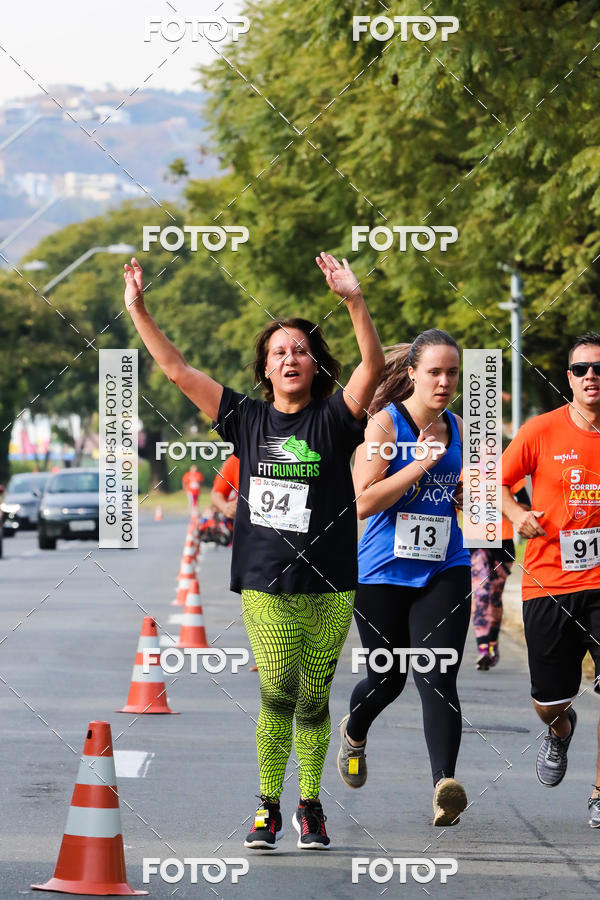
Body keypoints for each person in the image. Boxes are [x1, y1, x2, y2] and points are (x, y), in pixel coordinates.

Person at [123, 253, 384, 850]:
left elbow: (372, 363)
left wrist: (353, 299)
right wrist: (139, 309)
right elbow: (177, 370)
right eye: (279, 352)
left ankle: (310, 805)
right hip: (265, 581)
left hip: (333, 581)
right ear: (265, 369)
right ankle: (268, 805)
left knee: (315, 698)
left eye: (300, 351)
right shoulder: (245, 418)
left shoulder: (337, 418)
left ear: (316, 365)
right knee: (278, 691)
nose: (290, 359)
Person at [337, 331, 471, 827]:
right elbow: (363, 500)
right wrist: (418, 464)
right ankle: (354, 732)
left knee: (438, 675)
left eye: (452, 372)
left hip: (446, 567)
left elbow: (469, 497)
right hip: (382, 573)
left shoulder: (459, 427)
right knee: (388, 678)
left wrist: (469, 505)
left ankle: (444, 786)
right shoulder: (385, 424)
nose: (444, 381)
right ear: (412, 373)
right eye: (434, 372)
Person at [501, 332, 600, 827]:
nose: (591, 376)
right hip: (550, 583)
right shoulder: (541, 430)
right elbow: (489, 483)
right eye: (581, 369)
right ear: (568, 378)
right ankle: (560, 729)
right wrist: (516, 513)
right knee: (548, 702)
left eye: (599, 369)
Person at [470, 477, 530, 670]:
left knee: (495, 595)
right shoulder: (466, 473)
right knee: (481, 593)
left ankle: (493, 644)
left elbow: (526, 507)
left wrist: (503, 503)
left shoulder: (509, 473)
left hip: (502, 543)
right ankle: (483, 649)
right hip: (475, 541)